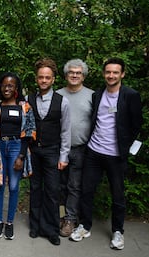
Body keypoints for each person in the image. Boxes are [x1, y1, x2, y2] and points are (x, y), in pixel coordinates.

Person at [69, 57, 143, 250]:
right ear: (104, 74)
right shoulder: (98, 94)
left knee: (117, 195)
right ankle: (85, 226)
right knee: (86, 191)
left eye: (115, 72)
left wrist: (125, 147)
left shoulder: (130, 95)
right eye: (108, 72)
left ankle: (118, 232)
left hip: (116, 155)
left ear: (122, 74)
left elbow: (136, 125)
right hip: (93, 152)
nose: (111, 75)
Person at [0, 72, 36, 240]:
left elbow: (29, 132)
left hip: (16, 147)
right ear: (0, 86)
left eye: (11, 85)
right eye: (4, 85)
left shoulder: (24, 106)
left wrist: (21, 156)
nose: (7, 88)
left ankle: (10, 222)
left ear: (16, 87)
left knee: (14, 186)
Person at [27, 58, 71, 246]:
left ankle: (51, 229)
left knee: (52, 191)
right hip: (34, 151)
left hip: (53, 152)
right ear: (37, 79)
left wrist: (64, 156)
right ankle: (35, 226)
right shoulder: (29, 100)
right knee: (35, 189)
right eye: (40, 77)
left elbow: (66, 131)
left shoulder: (63, 102)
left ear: (53, 80)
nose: (44, 80)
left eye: (47, 77)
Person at [56, 59, 94, 237]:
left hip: (80, 149)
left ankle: (70, 219)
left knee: (74, 186)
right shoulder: (57, 95)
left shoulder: (93, 96)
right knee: (59, 185)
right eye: (71, 72)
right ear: (66, 75)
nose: (74, 75)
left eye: (78, 73)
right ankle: (61, 216)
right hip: (58, 148)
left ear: (83, 76)